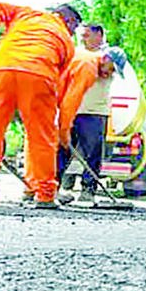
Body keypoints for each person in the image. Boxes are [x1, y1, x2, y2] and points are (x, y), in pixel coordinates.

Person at [0, 2, 82, 208]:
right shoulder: (67, 42)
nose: (74, 33)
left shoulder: (25, 14)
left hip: (0, 71)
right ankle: (45, 194)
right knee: (41, 136)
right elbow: (60, 82)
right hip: (40, 75)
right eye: (75, 28)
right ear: (69, 21)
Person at [56, 40, 127, 204]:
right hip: (73, 112)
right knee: (62, 150)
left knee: (93, 153)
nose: (111, 73)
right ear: (106, 59)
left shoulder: (105, 73)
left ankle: (88, 190)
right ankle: (52, 187)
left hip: (96, 114)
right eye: (112, 68)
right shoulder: (87, 64)